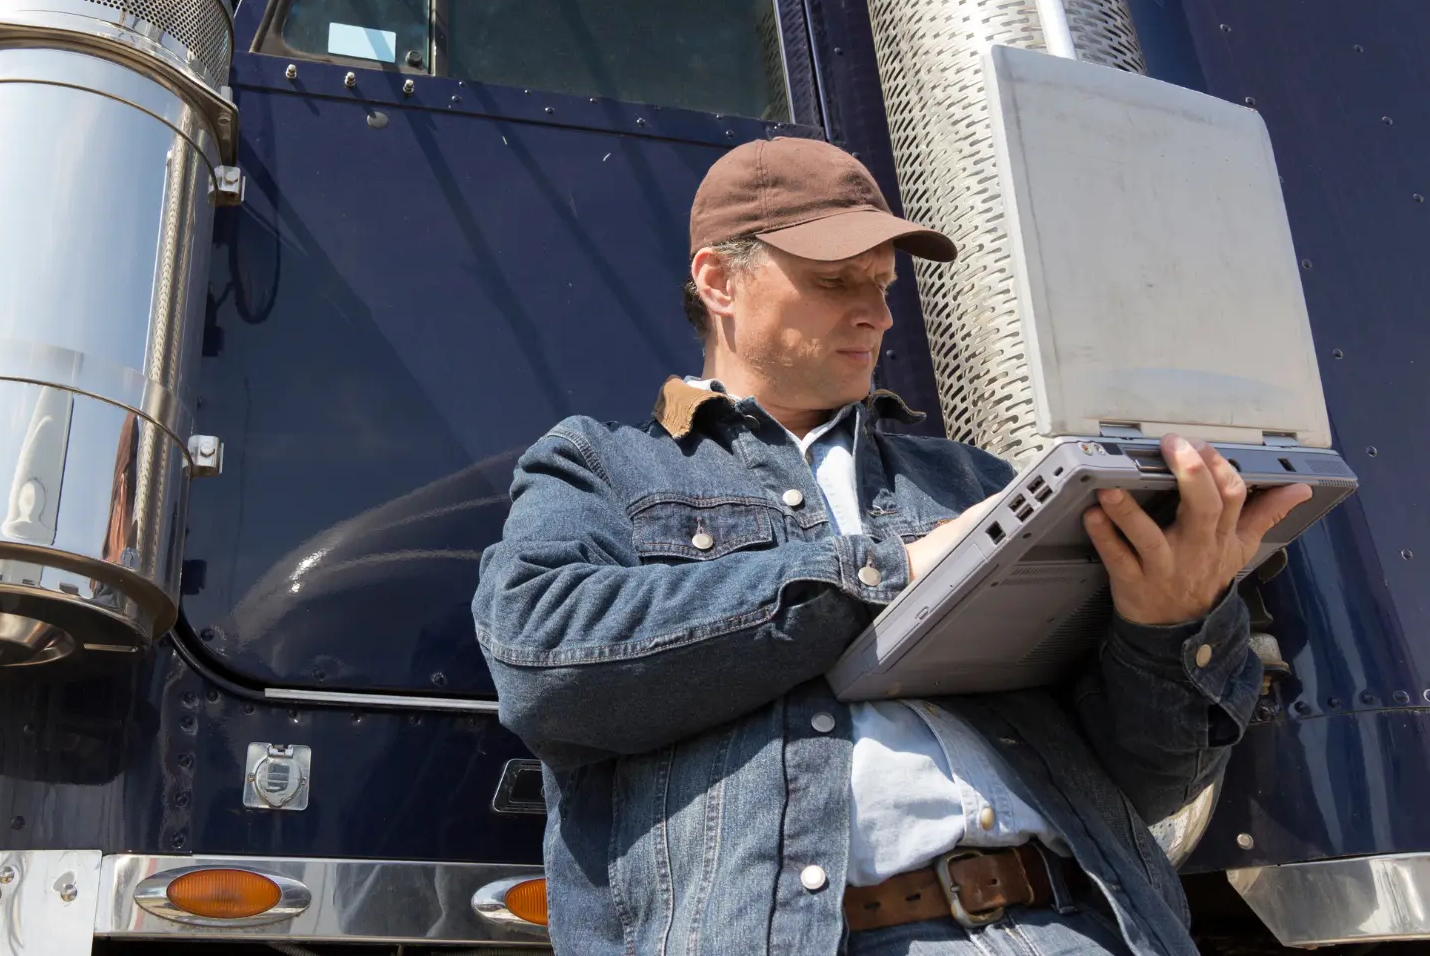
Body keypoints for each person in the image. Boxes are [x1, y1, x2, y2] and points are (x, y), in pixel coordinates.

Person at [471, 137, 1312, 956]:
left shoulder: (975, 481)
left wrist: (1167, 628)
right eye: (837, 282)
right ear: (719, 280)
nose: (876, 313)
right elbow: (543, 663)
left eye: (881, 284)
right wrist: (896, 570)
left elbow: (1147, 782)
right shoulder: (599, 463)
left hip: (1079, 926)